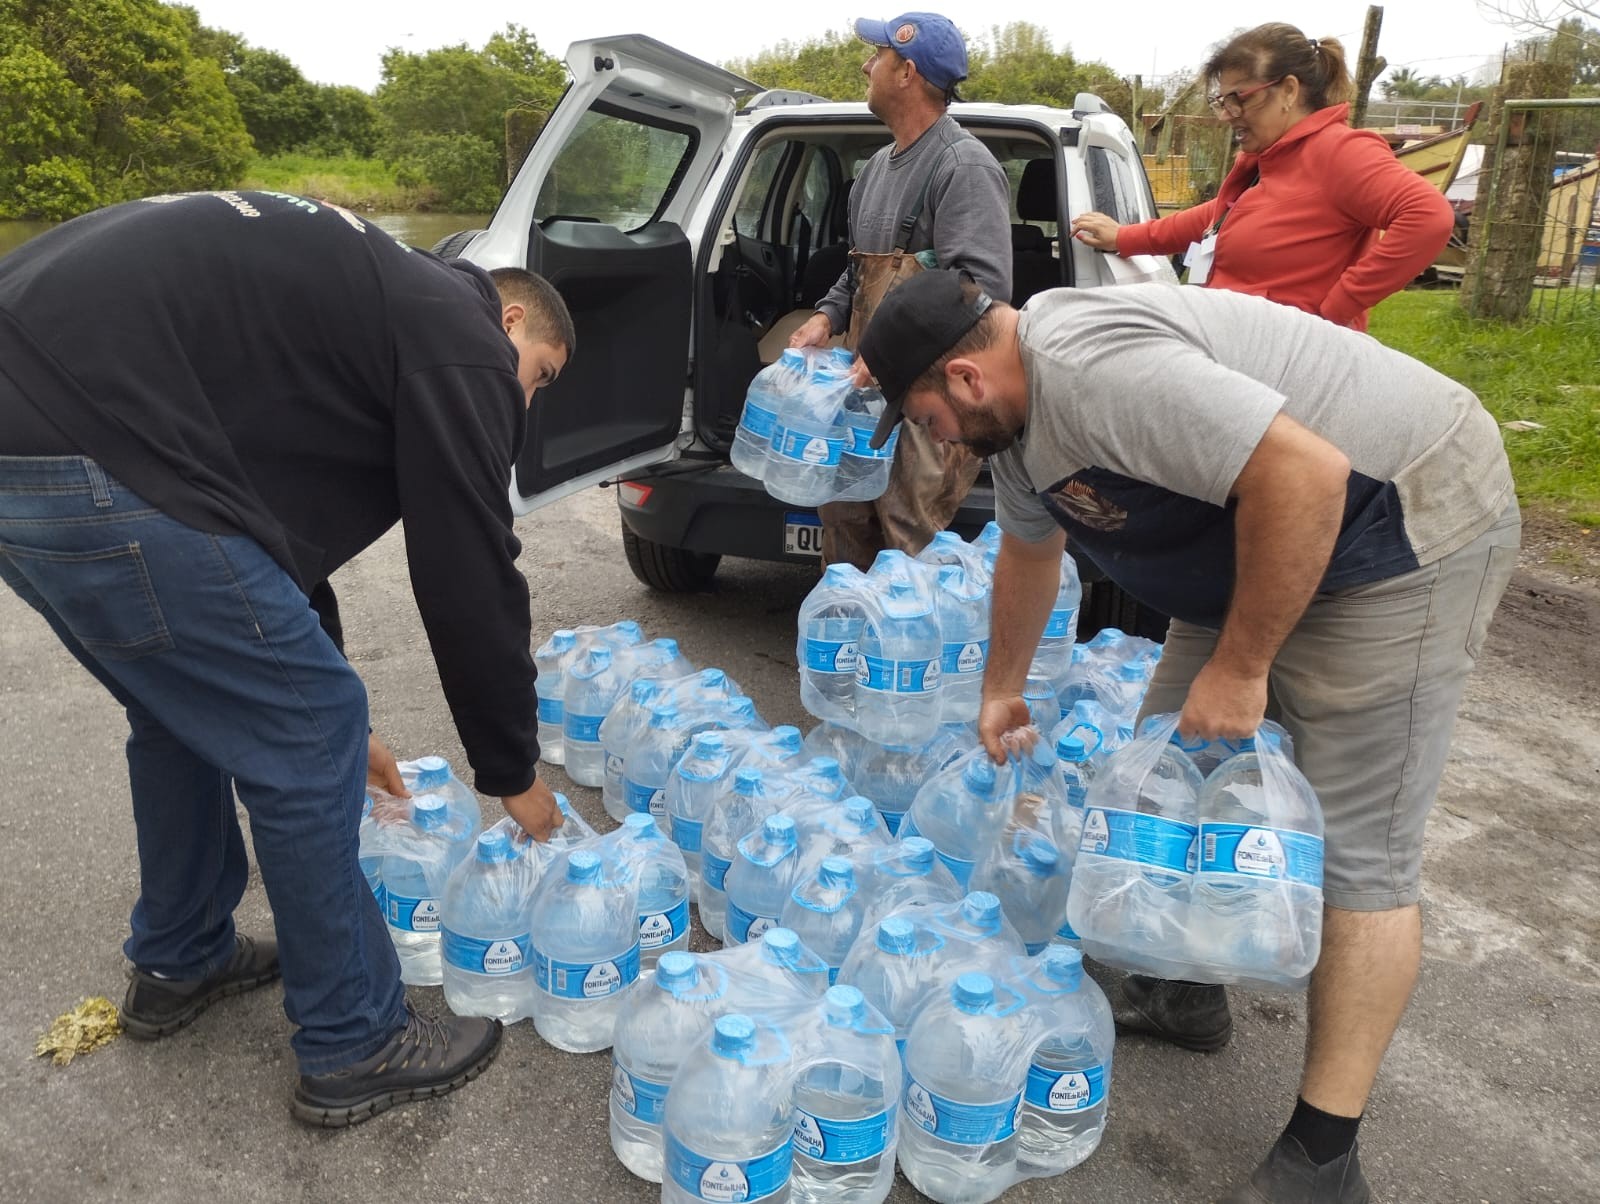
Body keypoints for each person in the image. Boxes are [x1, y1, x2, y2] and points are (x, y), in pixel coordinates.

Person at [856, 268, 1520, 1204]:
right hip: (1255, 540)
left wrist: (1243, 667)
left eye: (924, 415)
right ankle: (1187, 990)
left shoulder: (1091, 370)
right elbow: (1029, 551)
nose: (931, 437)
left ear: (965, 378)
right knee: (1160, 781)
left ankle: (1324, 1159)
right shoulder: (1014, 430)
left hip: (1396, 531)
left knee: (1363, 856)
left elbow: (1307, 472)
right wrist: (1002, 686)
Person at [0, 190, 574, 1127]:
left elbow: (260, 540)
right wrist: (511, 770)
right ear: (510, 318)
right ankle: (356, 1039)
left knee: (183, 702)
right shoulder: (461, 334)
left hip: (30, 422)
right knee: (310, 736)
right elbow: (468, 564)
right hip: (90, 427)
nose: (522, 400)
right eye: (539, 375)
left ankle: (181, 956)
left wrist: (336, 694)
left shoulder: (367, 300)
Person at [788, 10, 1012, 569]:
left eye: (877, 56)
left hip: (932, 397)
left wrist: (895, 355)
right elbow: (858, 269)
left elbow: (980, 293)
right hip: (866, 388)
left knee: (905, 532)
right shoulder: (873, 172)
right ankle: (848, 647)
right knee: (843, 516)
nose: (867, 64)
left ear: (907, 72)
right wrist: (828, 315)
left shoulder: (962, 167)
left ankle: (904, 656)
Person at [1070, 23, 1454, 331]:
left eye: (1240, 98)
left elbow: (1427, 217)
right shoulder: (1273, 158)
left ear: (1288, 90)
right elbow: (1217, 217)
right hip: (1237, 351)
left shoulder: (1340, 152)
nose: (1226, 115)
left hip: (1289, 367)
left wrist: (1336, 309)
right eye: (1221, 101)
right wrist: (1125, 237)